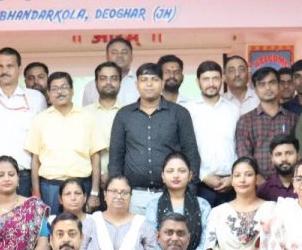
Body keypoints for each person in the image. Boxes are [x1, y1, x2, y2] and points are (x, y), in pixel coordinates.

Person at [108, 62, 200, 215]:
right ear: (137, 84)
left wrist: (189, 190)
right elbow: (116, 157)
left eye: (155, 79)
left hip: (173, 194)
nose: (149, 84)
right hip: (134, 196)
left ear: (162, 83)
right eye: (144, 80)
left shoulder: (179, 113)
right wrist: (117, 192)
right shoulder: (124, 115)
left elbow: (191, 153)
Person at [25, 71, 105, 214]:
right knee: (52, 225)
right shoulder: (39, 120)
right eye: (55, 88)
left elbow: (96, 157)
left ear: (72, 91)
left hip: (82, 185)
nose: (60, 92)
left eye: (64, 87)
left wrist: (94, 192)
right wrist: (36, 192)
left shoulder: (88, 118)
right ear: (48, 93)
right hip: (50, 187)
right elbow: (35, 161)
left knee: (82, 226)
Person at [0, 47, 46, 200]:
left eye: (10, 66)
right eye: (0, 66)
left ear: (19, 69)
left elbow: (42, 141)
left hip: (24, 178)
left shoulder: (36, 98)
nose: (4, 71)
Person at [185, 60, 240, 206]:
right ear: (197, 81)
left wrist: (234, 176)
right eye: (206, 79)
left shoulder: (234, 109)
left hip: (231, 183)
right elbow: (185, 148)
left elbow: (239, 146)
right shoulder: (188, 110)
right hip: (200, 183)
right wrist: (203, 176)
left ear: (222, 79)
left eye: (215, 78)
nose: (211, 83)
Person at [143, 153, 212, 250]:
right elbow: (151, 241)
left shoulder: (203, 205)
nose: (176, 175)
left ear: (190, 175)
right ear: (163, 176)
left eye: (182, 171)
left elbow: (206, 242)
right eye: (170, 171)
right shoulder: (153, 205)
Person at [235, 66, 298, 177]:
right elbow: (244, 155)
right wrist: (256, 177)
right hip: (257, 182)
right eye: (262, 84)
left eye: (272, 83)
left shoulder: (293, 119)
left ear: (279, 86)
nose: (268, 88)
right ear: (255, 89)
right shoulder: (246, 121)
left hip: (289, 181)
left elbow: (299, 152)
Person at [89, 61, 124, 186]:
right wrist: (96, 174)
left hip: (122, 180)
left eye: (113, 78)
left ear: (120, 82)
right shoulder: (84, 114)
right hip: (89, 180)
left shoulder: (129, 112)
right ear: (96, 82)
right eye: (103, 78)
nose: (108, 82)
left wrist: (112, 173)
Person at [81, 37, 137, 107]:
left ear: (132, 56)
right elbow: (86, 112)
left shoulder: (140, 84)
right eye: (114, 52)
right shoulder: (91, 86)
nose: (119, 55)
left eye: (124, 52)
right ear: (107, 56)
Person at [258, 135, 299, 201]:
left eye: (289, 153)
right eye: (278, 154)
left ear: (298, 156)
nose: (284, 159)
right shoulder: (264, 191)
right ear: (272, 159)